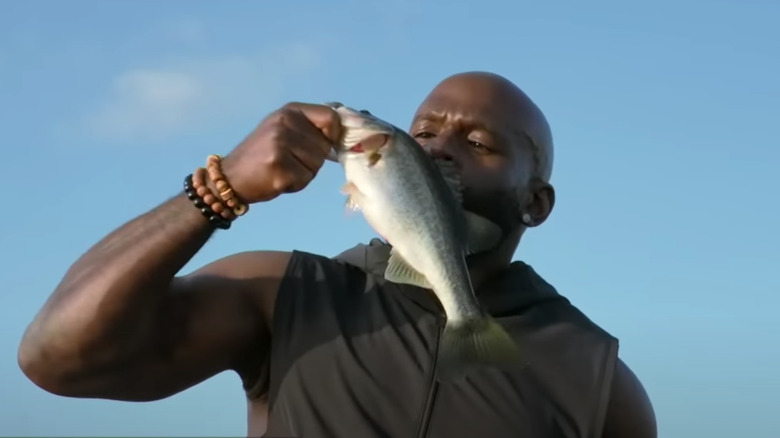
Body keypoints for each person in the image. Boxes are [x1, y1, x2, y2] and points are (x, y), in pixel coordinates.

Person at [17, 71, 657, 438]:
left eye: (480, 142)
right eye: (425, 132)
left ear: (536, 203)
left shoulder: (599, 379)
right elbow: (57, 358)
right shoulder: (284, 291)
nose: (437, 148)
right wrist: (220, 191)